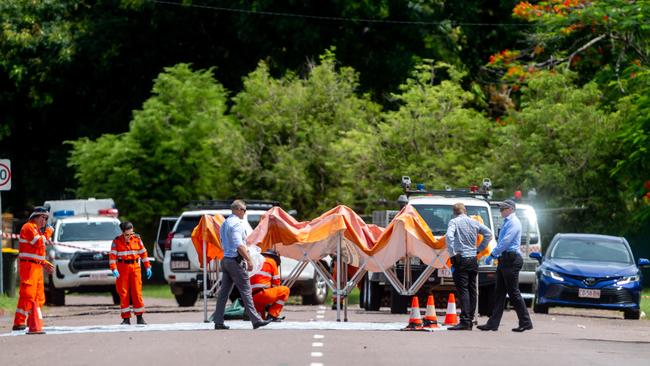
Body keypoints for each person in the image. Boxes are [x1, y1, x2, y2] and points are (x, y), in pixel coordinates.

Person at [213, 200, 271, 330]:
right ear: (238, 209)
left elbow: (223, 241)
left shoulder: (225, 223)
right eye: (244, 210)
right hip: (235, 260)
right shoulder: (237, 224)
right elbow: (239, 245)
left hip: (226, 259)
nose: (245, 213)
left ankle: (218, 321)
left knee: (224, 293)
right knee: (246, 291)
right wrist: (249, 260)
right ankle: (256, 320)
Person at [477, 199, 533, 332]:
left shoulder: (513, 222)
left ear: (511, 209)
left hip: (511, 259)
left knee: (513, 292)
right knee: (499, 292)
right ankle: (493, 323)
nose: (501, 211)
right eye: (501, 209)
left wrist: (493, 254)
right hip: (506, 259)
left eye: (503, 209)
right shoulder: (507, 222)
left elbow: (506, 241)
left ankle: (526, 322)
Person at [445, 203, 493, 331]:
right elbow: (489, 234)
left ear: (454, 212)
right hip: (473, 259)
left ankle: (465, 320)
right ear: (465, 211)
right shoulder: (474, 222)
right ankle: (470, 319)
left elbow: (449, 237)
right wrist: (479, 249)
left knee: (463, 290)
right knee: (472, 290)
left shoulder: (453, 222)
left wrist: (453, 254)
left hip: (461, 259)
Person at [13, 207, 55, 331]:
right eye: (43, 218)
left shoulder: (36, 230)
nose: (45, 221)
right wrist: (48, 232)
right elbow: (38, 243)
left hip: (37, 266)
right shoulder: (28, 227)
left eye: (46, 219)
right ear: (35, 217)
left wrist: (44, 262)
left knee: (39, 297)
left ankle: (34, 321)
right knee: (28, 295)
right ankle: (19, 322)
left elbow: (36, 252)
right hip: (29, 267)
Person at [109, 221, 152, 325]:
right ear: (122, 233)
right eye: (127, 235)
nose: (129, 236)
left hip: (135, 268)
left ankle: (140, 318)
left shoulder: (137, 239)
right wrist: (114, 269)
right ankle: (126, 319)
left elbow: (143, 253)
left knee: (137, 293)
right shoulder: (116, 241)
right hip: (122, 268)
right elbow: (112, 257)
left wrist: (148, 267)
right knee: (123, 294)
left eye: (131, 234)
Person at [250, 249, 290, 321]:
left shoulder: (256, 261)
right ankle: (272, 315)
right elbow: (276, 283)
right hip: (264, 294)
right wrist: (272, 303)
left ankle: (255, 315)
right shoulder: (271, 261)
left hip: (252, 297)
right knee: (285, 290)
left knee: (261, 319)